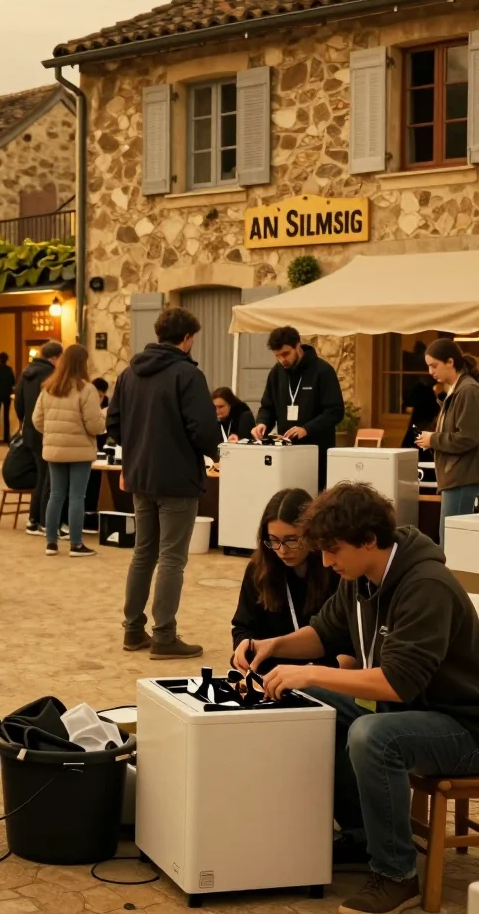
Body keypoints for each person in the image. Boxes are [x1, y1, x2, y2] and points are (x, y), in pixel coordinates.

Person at [235, 483, 479, 914]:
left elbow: (397, 684)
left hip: (465, 728)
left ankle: (397, 875)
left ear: (369, 541)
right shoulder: (361, 576)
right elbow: (323, 633)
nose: (325, 561)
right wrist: (272, 645)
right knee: (317, 705)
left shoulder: (426, 585)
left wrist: (312, 673)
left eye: (333, 551)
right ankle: (360, 834)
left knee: (372, 735)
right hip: (417, 712)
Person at [107, 308, 219, 660]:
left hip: (141, 476)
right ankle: (165, 636)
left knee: (144, 553)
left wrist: (139, 447)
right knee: (172, 557)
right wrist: (212, 453)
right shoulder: (187, 374)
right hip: (178, 478)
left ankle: (133, 630)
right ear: (186, 339)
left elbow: (113, 425)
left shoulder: (129, 374)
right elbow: (203, 429)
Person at [231, 487, 339, 672]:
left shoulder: (336, 569)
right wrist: (245, 648)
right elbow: (243, 626)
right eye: (273, 540)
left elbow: (344, 642)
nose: (282, 550)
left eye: (291, 540)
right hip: (271, 671)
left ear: (311, 533)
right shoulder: (259, 570)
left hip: (322, 671)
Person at [32, 344, 105, 557]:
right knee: (76, 496)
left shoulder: (49, 387)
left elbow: (37, 420)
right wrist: (102, 421)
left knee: (56, 494)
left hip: (54, 451)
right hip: (80, 451)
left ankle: (51, 543)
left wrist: (53, 433)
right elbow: (94, 425)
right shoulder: (87, 389)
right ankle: (76, 544)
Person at [251, 326, 344, 490]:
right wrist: (262, 423)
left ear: (298, 346)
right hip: (286, 455)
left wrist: (306, 429)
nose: (282, 360)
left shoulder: (322, 371)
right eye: (277, 356)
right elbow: (268, 406)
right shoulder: (276, 373)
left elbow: (335, 412)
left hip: (317, 455)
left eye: (286, 354)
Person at [414, 338, 479, 543]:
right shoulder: (458, 389)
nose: (431, 371)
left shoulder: (467, 390)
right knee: (450, 542)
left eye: (435, 365)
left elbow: (468, 438)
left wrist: (433, 440)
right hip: (456, 476)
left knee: (452, 543)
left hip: (461, 477)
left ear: (450, 362)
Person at [15, 341, 63, 536]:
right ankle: (44, 521)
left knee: (41, 476)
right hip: (46, 430)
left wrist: (24, 423)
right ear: (54, 358)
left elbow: (18, 403)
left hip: (29, 430)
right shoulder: (51, 376)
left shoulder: (25, 373)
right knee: (48, 478)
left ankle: (32, 520)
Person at [92, 377, 111, 451]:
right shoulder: (85, 403)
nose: (97, 399)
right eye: (95, 395)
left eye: (100, 396)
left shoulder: (108, 405)